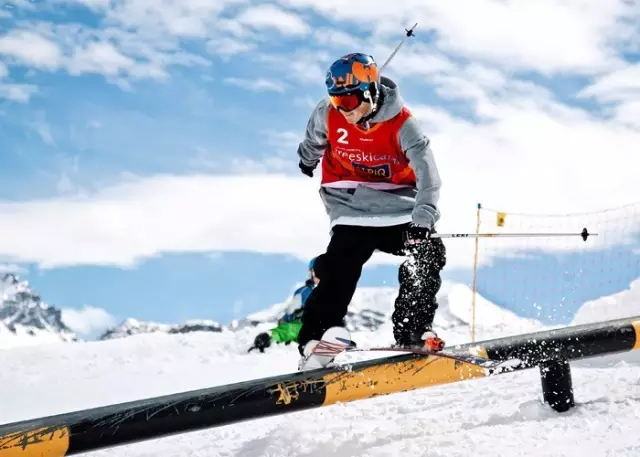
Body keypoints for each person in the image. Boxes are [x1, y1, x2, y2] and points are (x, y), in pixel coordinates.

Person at [295, 52, 447, 370]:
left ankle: (412, 328)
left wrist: (422, 220)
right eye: (337, 102)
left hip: (398, 207)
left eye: (349, 102)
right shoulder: (327, 113)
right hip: (350, 204)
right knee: (342, 265)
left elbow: (429, 176)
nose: (343, 111)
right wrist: (307, 159)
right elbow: (312, 139)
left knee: (429, 252)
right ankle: (317, 337)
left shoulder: (404, 125)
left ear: (370, 93)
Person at [248, 254, 326, 353]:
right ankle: (267, 339)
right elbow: (291, 312)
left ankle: (335, 343)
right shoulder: (305, 291)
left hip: (321, 327)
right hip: (305, 325)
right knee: (291, 329)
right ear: (312, 273)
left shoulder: (330, 292)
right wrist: (288, 317)